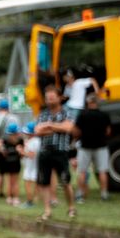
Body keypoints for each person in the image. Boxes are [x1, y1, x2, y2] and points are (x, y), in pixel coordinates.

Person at [35, 85, 76, 220]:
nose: (49, 100)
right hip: (45, 152)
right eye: (47, 98)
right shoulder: (43, 114)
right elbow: (38, 131)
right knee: (44, 182)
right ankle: (47, 210)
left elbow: (68, 128)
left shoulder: (66, 113)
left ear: (59, 98)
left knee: (65, 181)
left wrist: (48, 125)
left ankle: (71, 208)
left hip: (61, 151)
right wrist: (58, 127)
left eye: (52, 97)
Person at [73, 94, 111, 202]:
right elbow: (108, 131)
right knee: (102, 171)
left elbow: (76, 131)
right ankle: (104, 194)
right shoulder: (104, 115)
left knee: (82, 171)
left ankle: (80, 194)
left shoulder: (82, 115)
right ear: (97, 102)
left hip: (85, 146)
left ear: (88, 102)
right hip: (101, 146)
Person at [0, 122, 25, 206]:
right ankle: (15, 198)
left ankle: (10, 198)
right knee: (14, 181)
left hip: (10, 162)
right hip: (14, 162)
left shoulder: (6, 139)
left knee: (10, 181)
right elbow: (22, 153)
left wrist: (2, 150)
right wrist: (2, 150)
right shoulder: (19, 140)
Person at [21, 121, 40, 208]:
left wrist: (21, 151)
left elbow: (31, 155)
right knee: (35, 184)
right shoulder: (38, 141)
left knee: (28, 184)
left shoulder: (32, 142)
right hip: (35, 166)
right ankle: (34, 200)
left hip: (30, 166)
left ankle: (29, 201)